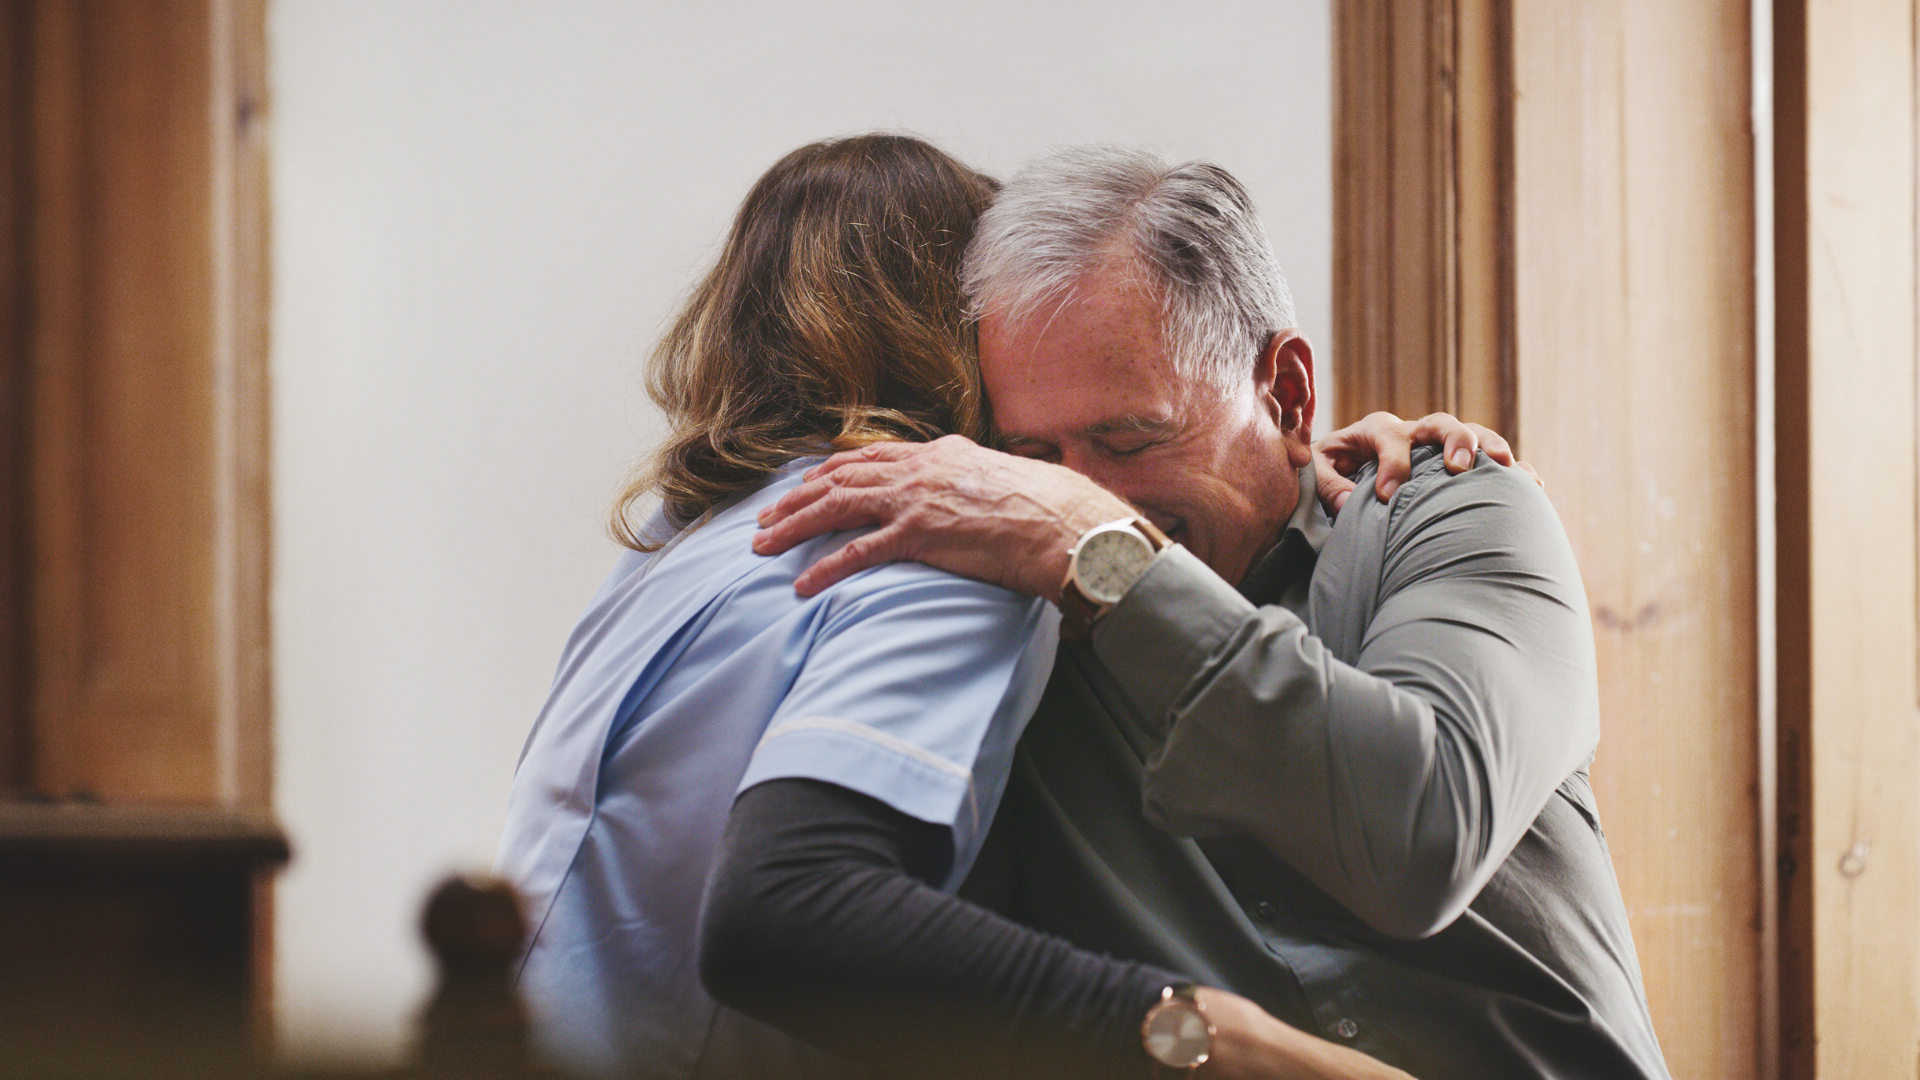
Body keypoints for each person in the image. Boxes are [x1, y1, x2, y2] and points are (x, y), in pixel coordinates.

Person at [496, 134, 1451, 1080]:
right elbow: (788, 914)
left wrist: (1302, 450)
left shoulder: (679, 540)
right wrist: (1213, 1041)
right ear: (972, 330)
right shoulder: (928, 557)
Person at [753, 145, 1674, 1080]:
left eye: (1129, 439)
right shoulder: (1001, 621)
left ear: (1289, 392)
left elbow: (1419, 838)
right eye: (1029, 452)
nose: (1074, 492)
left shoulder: (1450, 505)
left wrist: (1108, 556)